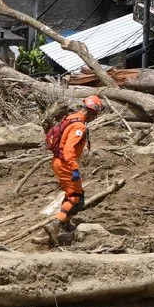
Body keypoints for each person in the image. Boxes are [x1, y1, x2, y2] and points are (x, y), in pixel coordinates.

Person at [45, 93, 103, 241]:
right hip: (66, 164)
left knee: (71, 193)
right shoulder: (79, 126)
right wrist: (74, 169)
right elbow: (68, 150)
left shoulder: (72, 117)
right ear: (91, 112)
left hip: (59, 161)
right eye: (95, 114)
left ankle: (65, 223)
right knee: (76, 197)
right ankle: (56, 223)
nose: (94, 117)